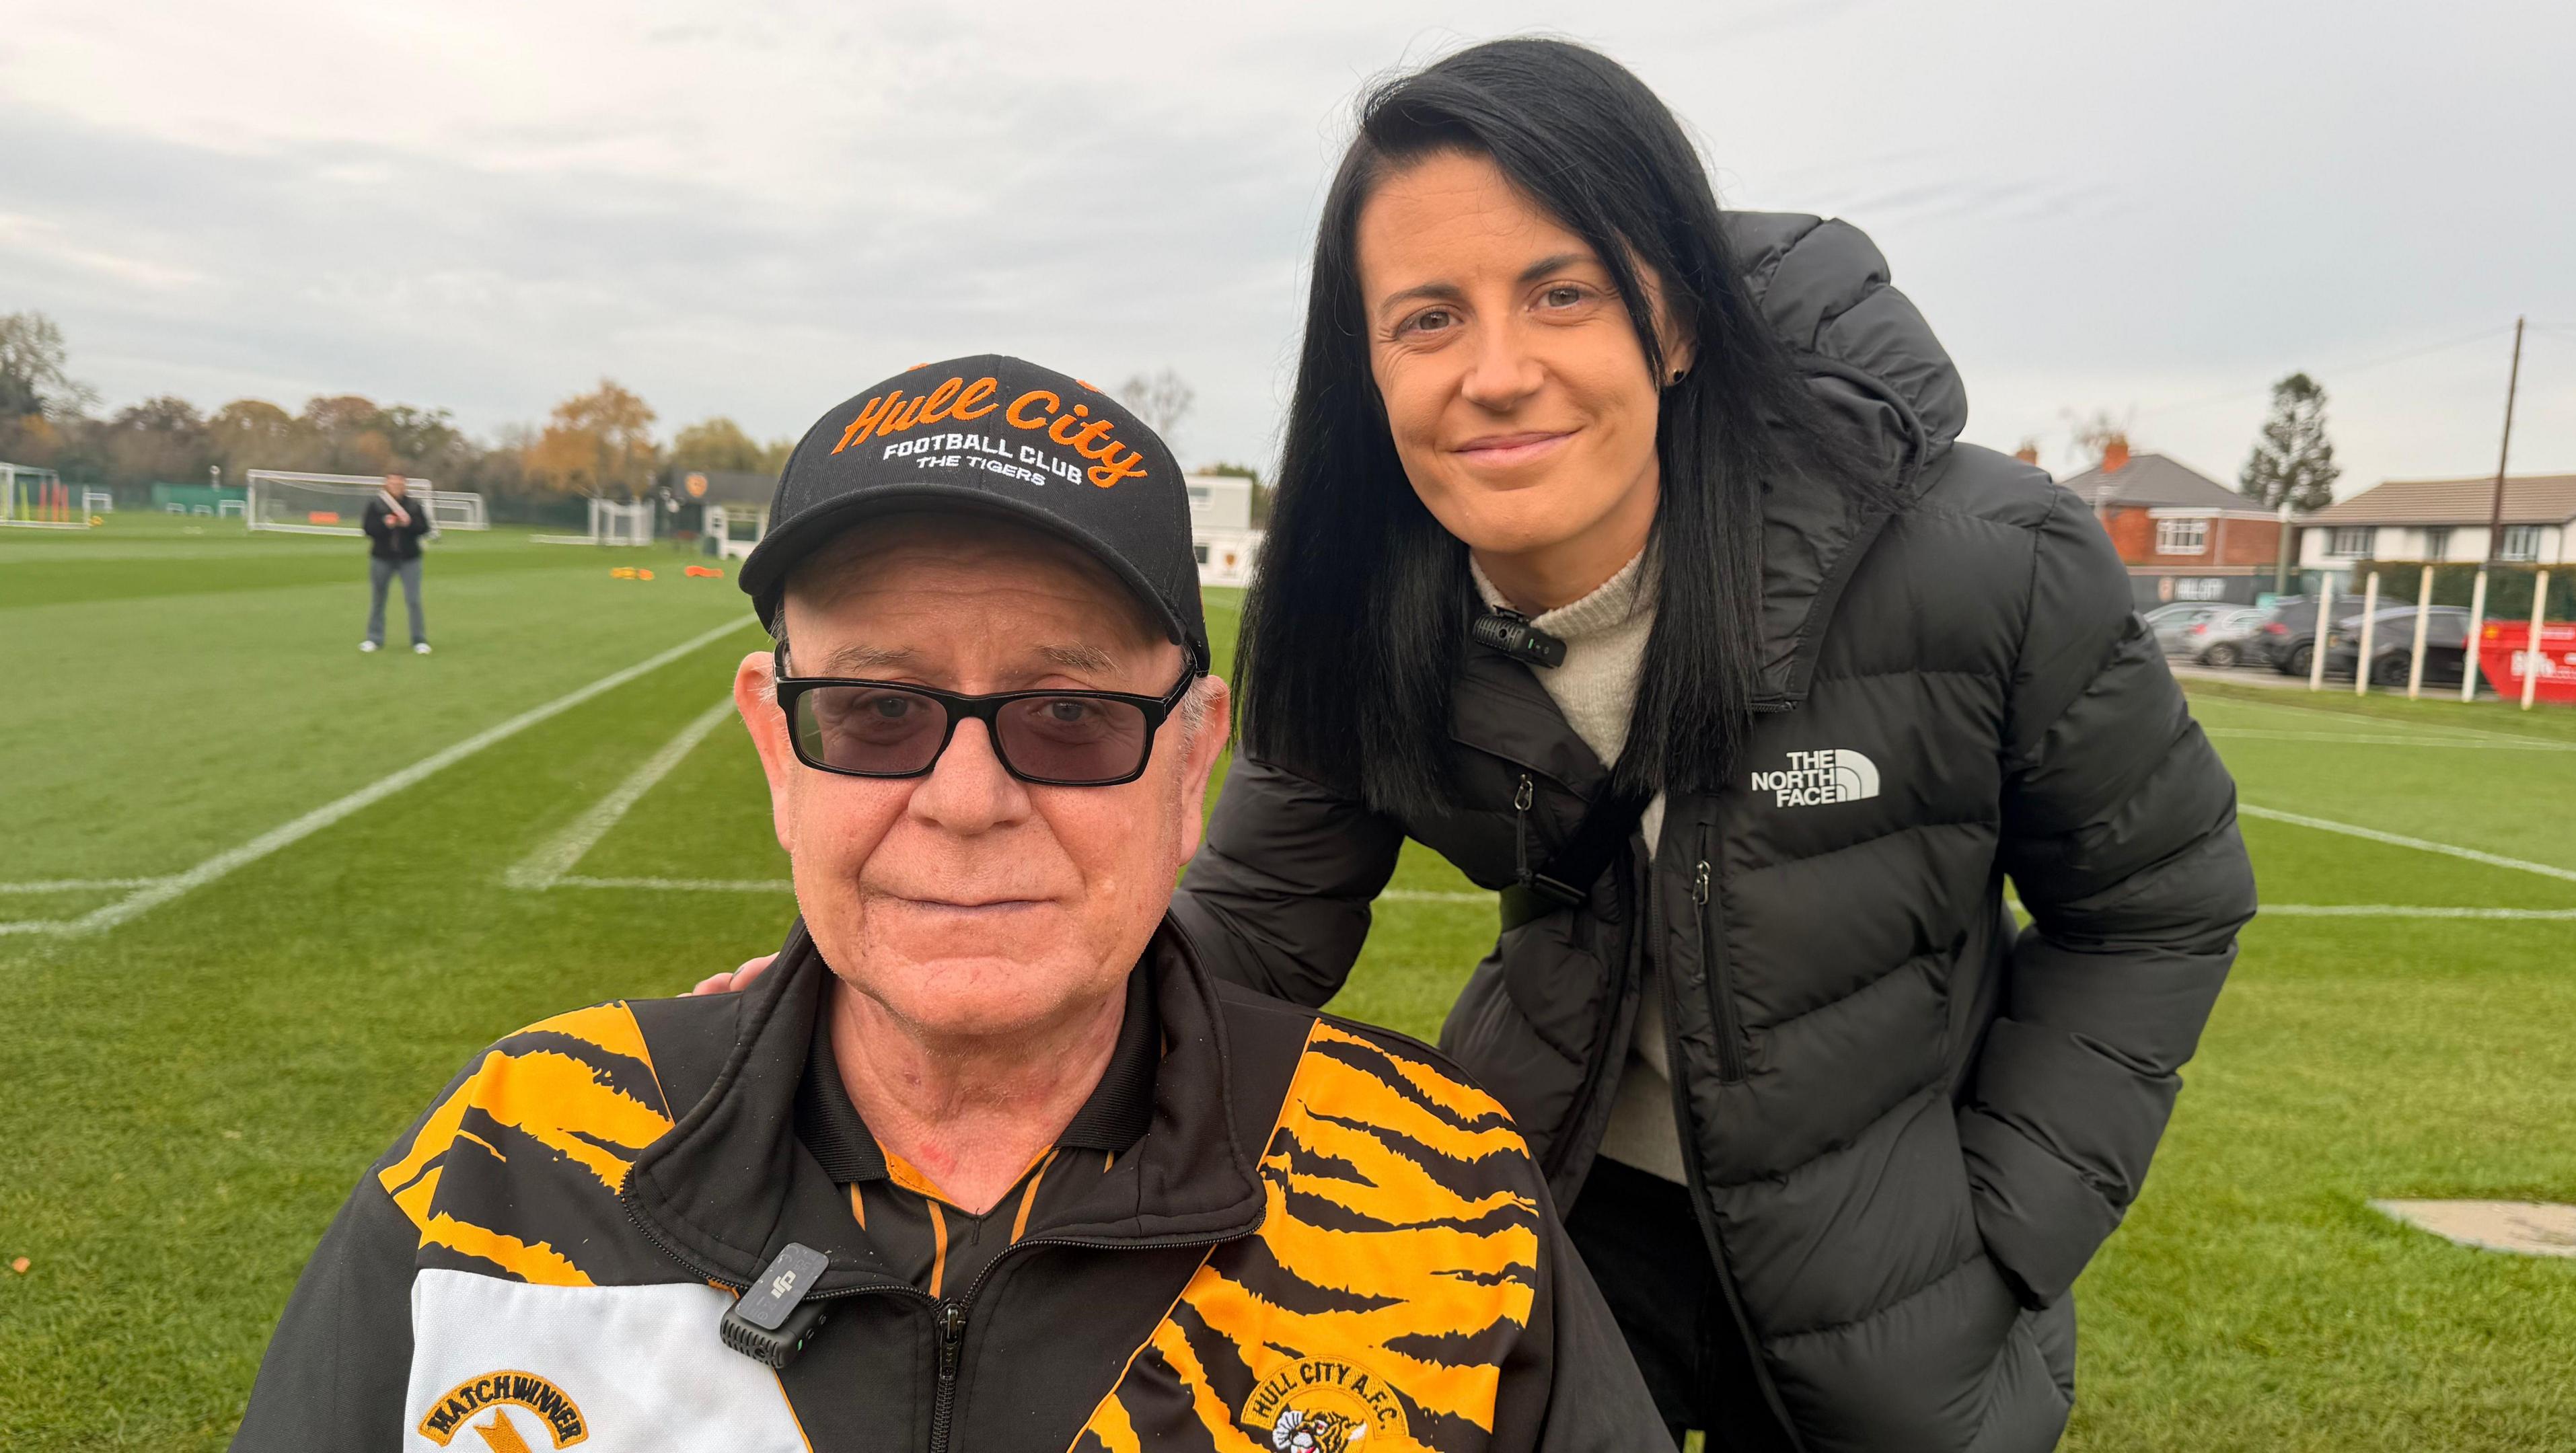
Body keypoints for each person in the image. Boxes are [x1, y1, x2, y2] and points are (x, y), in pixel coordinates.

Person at [704, 40, 2257, 1452]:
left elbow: (2156, 898)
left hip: (1896, 1258)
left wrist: (2003, 1226)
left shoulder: (1982, 556)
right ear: (1366, 363)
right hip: (1553, 1212)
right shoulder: (1355, 609)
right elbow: (1244, 930)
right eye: (1426, 317)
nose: (1494, 368)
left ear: (1669, 316)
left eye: (1558, 291)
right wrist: (855, 1010)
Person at [235, 355, 1667, 1452]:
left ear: (1189, 766)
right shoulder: (505, 1167)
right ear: (773, 748)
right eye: (871, 711)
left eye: (1066, 713)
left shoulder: (1445, 1195)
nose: (969, 799)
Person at [360, 472, 431, 654]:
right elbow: (368, 529)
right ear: (386, 485)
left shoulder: (413, 506)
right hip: (382, 558)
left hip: (409, 559)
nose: (396, 487)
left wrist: (407, 523)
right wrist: (387, 524)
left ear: (405, 485)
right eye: (392, 484)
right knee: (378, 599)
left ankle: (419, 640)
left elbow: (424, 528)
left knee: (413, 600)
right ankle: (374, 638)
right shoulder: (376, 505)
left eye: (400, 484)